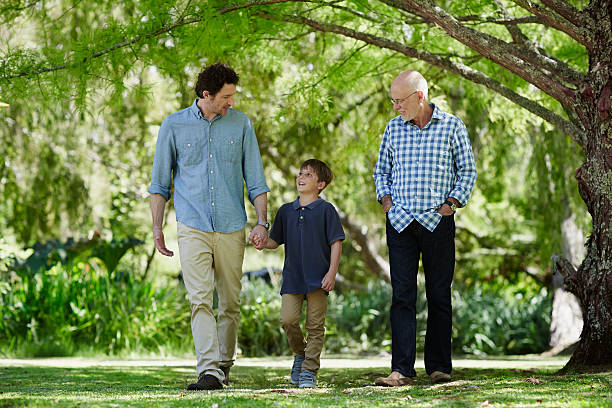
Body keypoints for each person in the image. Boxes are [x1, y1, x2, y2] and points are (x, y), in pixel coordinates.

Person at [148, 62, 270, 390]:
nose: (231, 101)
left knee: (230, 300)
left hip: (232, 225)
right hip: (192, 225)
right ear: (207, 95)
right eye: (226, 96)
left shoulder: (241, 124)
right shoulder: (173, 126)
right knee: (200, 298)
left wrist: (262, 222)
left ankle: (224, 364)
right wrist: (158, 230)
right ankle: (209, 371)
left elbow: (256, 180)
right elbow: (159, 184)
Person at [373, 70, 477, 386]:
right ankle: (401, 369)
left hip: (437, 223)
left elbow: (468, 172)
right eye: (392, 101)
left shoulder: (452, 127)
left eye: (399, 100)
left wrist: (451, 205)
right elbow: (381, 172)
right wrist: (388, 204)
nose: (395, 107)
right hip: (401, 223)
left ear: (420, 97)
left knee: (438, 294)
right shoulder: (393, 129)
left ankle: (439, 367)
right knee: (402, 295)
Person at [252, 159, 344, 388]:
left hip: (319, 279)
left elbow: (336, 243)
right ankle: (300, 355)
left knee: (315, 327)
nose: (300, 178)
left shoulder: (326, 210)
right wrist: (263, 242)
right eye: (300, 173)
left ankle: (309, 372)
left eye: (308, 175)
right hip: (292, 278)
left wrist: (332, 273)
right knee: (288, 320)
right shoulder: (286, 211)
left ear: (321, 184)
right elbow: (276, 241)